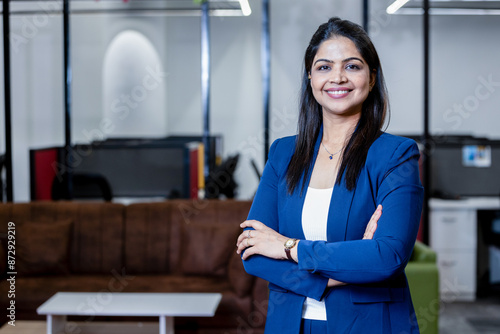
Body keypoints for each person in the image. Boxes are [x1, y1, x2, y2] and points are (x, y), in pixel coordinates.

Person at [236, 17, 424, 334]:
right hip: (290, 324)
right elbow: (252, 253)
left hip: (367, 324)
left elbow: (387, 257)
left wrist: (287, 247)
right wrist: (350, 264)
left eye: (352, 66)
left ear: (372, 77)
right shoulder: (283, 154)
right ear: (310, 77)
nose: (337, 77)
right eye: (324, 67)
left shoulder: (396, 155)